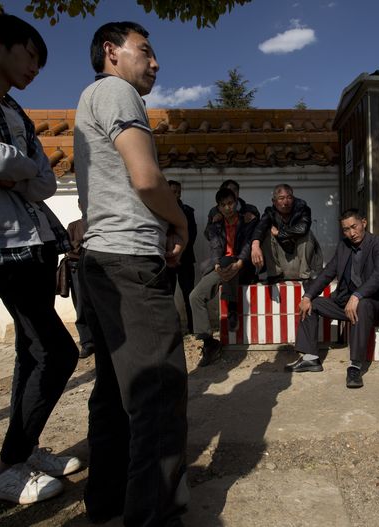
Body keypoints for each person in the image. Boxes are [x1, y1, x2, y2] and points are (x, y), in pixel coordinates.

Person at [0, 14, 81, 504]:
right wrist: (16, 166)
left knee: (32, 351)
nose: (35, 68)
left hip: (34, 239)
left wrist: (18, 169)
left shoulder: (15, 110)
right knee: (58, 351)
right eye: (30, 55)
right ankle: (7, 466)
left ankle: (23, 452)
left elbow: (45, 181)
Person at [74, 21, 189, 525]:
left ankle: (108, 501)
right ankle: (152, 515)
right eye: (145, 50)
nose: (156, 62)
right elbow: (146, 179)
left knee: (114, 393)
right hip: (130, 262)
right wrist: (180, 220)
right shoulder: (118, 92)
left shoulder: (90, 99)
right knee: (158, 394)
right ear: (112, 52)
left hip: (102, 261)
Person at [286, 209, 379, 388]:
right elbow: (327, 273)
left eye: (354, 227)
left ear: (364, 223)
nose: (351, 233)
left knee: (362, 304)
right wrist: (307, 296)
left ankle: (355, 366)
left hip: (375, 305)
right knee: (312, 304)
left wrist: (357, 295)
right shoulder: (344, 246)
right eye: (346, 229)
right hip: (346, 303)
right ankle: (310, 358)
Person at [189, 187, 258, 366]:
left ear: (236, 203)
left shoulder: (247, 220)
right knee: (195, 296)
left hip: (243, 266)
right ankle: (209, 343)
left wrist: (239, 263)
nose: (227, 208)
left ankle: (232, 307)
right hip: (223, 266)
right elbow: (215, 248)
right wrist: (217, 265)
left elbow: (248, 245)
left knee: (228, 260)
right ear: (218, 207)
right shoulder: (215, 225)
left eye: (230, 203)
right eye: (223, 205)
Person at [250, 183, 323, 282]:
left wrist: (279, 233)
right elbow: (260, 228)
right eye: (281, 198)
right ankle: (275, 275)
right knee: (266, 233)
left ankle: (305, 275)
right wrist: (255, 245)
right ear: (274, 201)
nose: (286, 202)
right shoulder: (270, 212)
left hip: (301, 264)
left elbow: (303, 228)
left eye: (289, 198)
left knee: (308, 233)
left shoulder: (302, 209)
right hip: (282, 264)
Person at [167, 180, 198, 333]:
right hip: (167, 259)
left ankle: (193, 328)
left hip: (185, 258)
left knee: (189, 294)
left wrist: (180, 252)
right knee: (167, 295)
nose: (177, 195)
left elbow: (192, 235)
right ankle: (170, 328)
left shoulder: (187, 211)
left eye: (179, 192)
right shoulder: (160, 210)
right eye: (173, 192)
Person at [66, 202, 95, 358]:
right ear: (79, 205)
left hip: (99, 268)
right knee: (81, 306)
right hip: (77, 268)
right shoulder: (73, 226)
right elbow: (67, 246)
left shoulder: (99, 224)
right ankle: (87, 342)